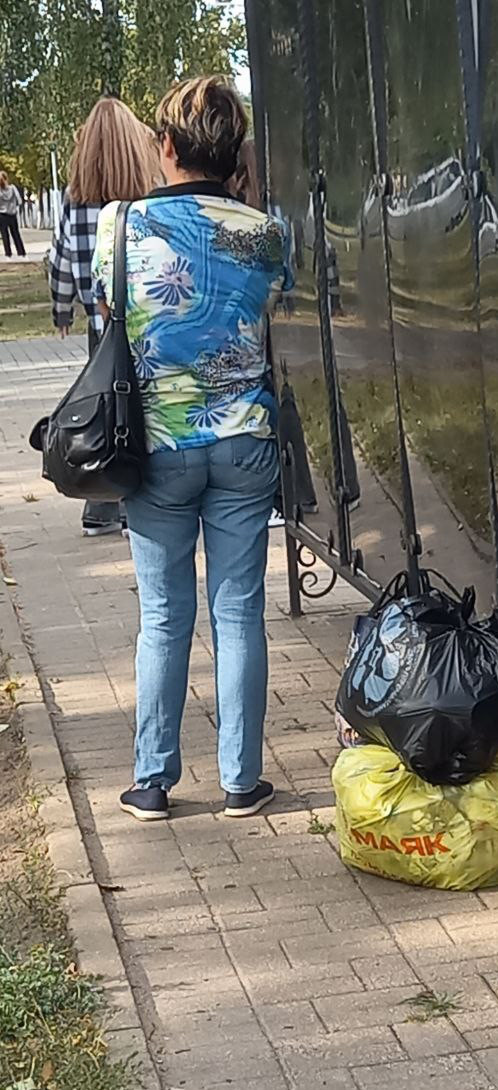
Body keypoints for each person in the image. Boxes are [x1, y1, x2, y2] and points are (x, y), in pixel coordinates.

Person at [91, 75, 291, 822]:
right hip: (244, 440)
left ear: (166, 146)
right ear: (231, 150)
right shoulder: (264, 232)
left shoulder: (121, 225)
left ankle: (153, 781)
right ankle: (242, 781)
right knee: (239, 611)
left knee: (164, 617)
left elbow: (105, 307)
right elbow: (278, 299)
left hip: (159, 446)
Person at [49, 96, 159, 536]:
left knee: (103, 408)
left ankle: (100, 506)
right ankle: (137, 502)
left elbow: (59, 260)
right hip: (145, 324)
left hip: (101, 326)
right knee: (141, 411)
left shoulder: (74, 201)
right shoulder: (148, 199)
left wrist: (61, 310)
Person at [0, 172, 26, 257]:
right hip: (12, 214)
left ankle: (8, 254)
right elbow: (20, 201)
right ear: (7, 178)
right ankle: (21, 252)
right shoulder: (13, 188)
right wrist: (13, 206)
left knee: (5, 234)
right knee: (16, 233)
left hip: (2, 215)